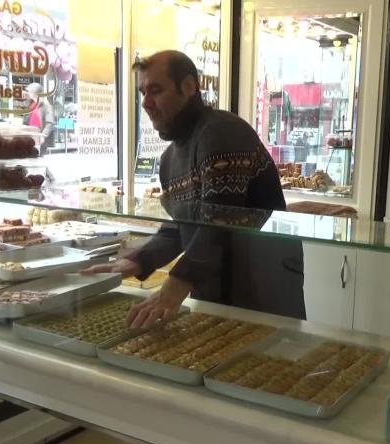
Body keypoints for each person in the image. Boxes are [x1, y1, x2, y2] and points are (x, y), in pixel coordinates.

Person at [82, 50, 305, 328]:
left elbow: (221, 223)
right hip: (214, 295)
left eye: (156, 90)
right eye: (142, 92)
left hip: (261, 293)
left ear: (188, 87)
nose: (146, 103)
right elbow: (184, 226)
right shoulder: (168, 160)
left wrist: (172, 289)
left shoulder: (221, 132)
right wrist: (140, 260)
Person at [22, 83, 56, 154]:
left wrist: (43, 136)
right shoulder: (31, 104)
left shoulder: (46, 106)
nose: (28, 93)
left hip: (40, 138)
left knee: (39, 158)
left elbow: (50, 123)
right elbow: (25, 121)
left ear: (36, 93)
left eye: (30, 91)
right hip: (30, 137)